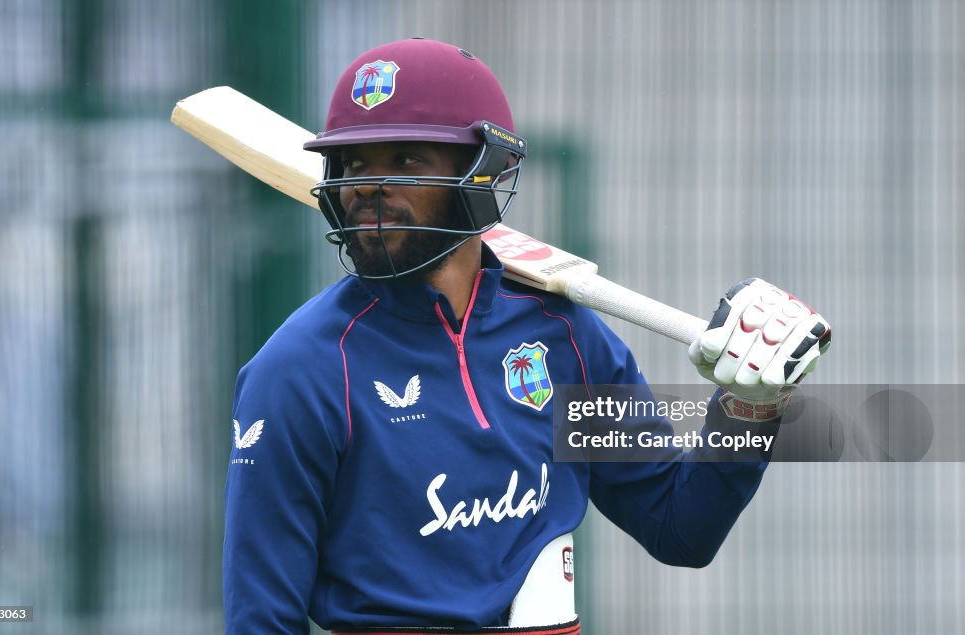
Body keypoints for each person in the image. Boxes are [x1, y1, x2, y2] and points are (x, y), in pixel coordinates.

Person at [223, 38, 831, 635]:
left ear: (484, 170)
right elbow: (261, 618)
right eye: (354, 164)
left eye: (405, 160)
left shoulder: (565, 338)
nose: (366, 188)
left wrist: (749, 408)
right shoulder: (298, 370)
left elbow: (680, 527)